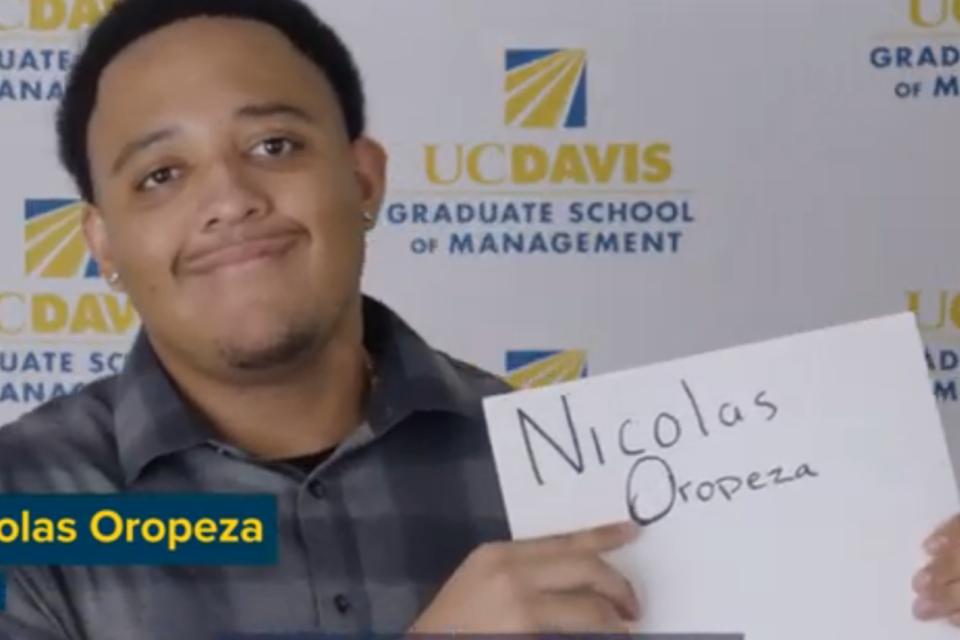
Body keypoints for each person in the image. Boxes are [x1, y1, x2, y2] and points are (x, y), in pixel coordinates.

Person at [0, 0, 954, 637]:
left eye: (274, 143)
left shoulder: (571, 477)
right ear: (103, 242)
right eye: (161, 174)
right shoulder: (31, 509)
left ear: (362, 179)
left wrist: (913, 597)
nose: (230, 198)